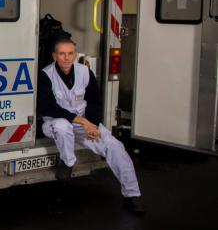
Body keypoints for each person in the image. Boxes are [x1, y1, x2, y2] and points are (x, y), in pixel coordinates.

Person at [37, 38, 145, 214]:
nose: (66, 58)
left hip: (84, 123)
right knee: (62, 126)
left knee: (115, 146)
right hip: (54, 123)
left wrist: (93, 125)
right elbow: (48, 107)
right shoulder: (45, 75)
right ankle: (68, 162)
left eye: (70, 53)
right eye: (62, 54)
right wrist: (82, 121)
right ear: (54, 56)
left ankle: (133, 196)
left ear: (75, 54)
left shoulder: (85, 72)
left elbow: (94, 102)